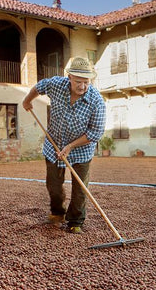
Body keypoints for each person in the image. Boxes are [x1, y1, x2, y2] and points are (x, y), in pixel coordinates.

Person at [22, 57, 106, 234]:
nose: (82, 86)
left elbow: (95, 132)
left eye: (86, 82)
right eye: (78, 82)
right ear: (69, 77)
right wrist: (27, 100)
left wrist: (71, 146)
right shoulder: (56, 85)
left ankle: (75, 221)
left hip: (81, 149)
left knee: (80, 188)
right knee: (53, 185)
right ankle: (57, 213)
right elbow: (39, 87)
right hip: (54, 145)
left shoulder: (96, 101)